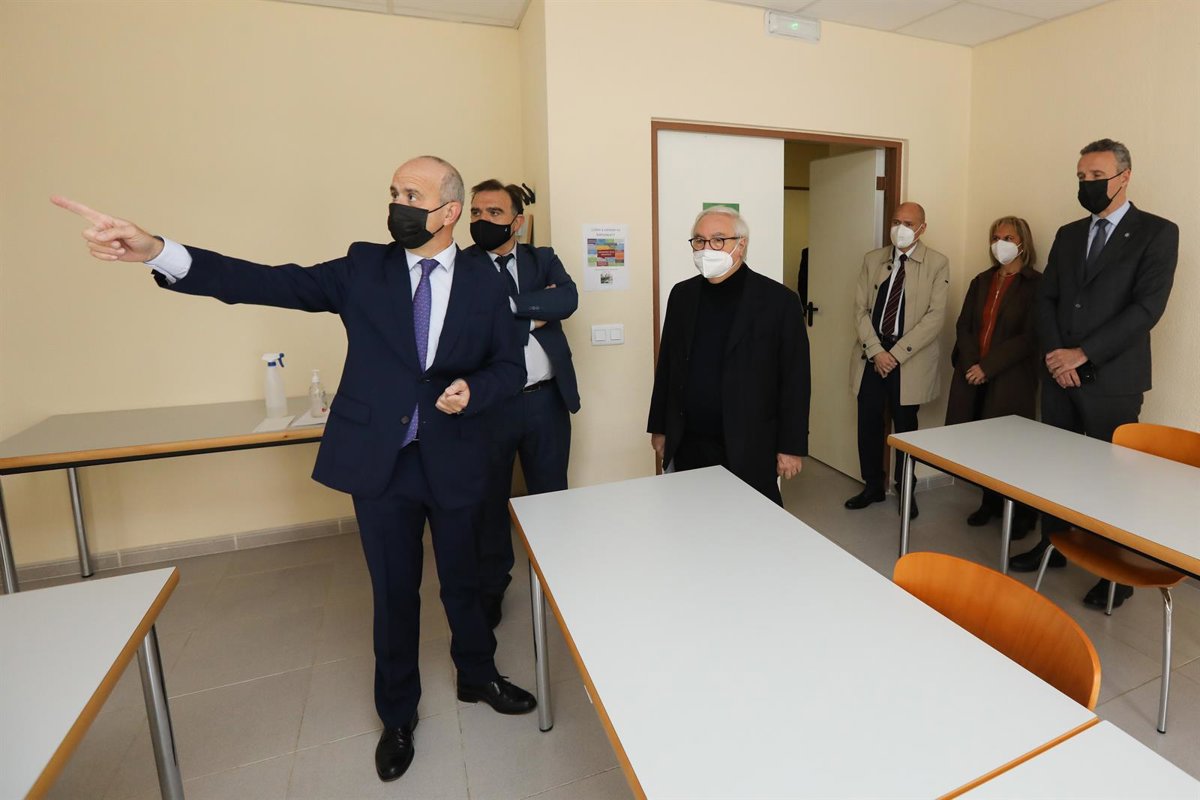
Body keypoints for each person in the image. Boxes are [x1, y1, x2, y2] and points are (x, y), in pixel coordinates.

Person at [51, 155, 538, 784]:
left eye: (411, 195)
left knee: (465, 581)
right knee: (393, 592)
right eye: (393, 192)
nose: (397, 204)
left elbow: (510, 366)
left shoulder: (485, 281)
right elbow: (263, 281)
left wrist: (475, 389)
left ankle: (478, 675)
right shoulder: (363, 267)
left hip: (458, 455)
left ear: (449, 211)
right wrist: (158, 251)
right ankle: (398, 715)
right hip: (381, 462)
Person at [1008, 139, 1178, 612]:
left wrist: (1082, 355)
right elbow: (1047, 299)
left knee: (1111, 479)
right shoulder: (1068, 234)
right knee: (1056, 468)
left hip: (1113, 379)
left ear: (1124, 177)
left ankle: (1114, 572)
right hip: (1058, 374)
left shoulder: (1157, 233)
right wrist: (1057, 357)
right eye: (1082, 177)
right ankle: (1053, 544)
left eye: (1097, 176)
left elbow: (1146, 308)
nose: (1087, 184)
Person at [464, 179, 579, 629]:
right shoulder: (461, 266)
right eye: (476, 212)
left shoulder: (542, 258)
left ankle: (555, 578)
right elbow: (467, 325)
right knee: (489, 503)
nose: (482, 220)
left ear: (517, 221)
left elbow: (566, 298)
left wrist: (506, 307)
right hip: (488, 408)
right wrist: (534, 312)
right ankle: (493, 587)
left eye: (494, 213)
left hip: (545, 402)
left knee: (551, 498)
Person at [647, 206, 809, 505]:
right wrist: (660, 428)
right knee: (690, 516)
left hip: (750, 441)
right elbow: (668, 365)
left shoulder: (779, 301)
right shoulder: (682, 295)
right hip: (689, 439)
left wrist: (791, 446)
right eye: (699, 240)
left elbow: (795, 380)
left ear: (741, 244)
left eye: (718, 240)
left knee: (752, 521)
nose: (707, 248)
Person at [844, 202, 950, 518]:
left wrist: (896, 354)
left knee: (905, 427)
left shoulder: (937, 263)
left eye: (908, 223)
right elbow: (860, 309)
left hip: (908, 358)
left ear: (922, 228)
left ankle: (906, 489)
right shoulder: (872, 259)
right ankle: (873, 486)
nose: (900, 228)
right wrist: (877, 351)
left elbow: (935, 317)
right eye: (896, 221)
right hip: (873, 354)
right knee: (868, 422)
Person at [944, 216, 1042, 534]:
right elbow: (964, 325)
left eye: (1008, 238)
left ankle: (1022, 514)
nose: (1001, 244)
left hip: (1011, 378)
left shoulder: (1035, 284)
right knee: (981, 444)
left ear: (1023, 243)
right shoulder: (982, 280)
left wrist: (988, 367)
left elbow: (1029, 336)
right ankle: (989, 502)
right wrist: (973, 364)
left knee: (1011, 448)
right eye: (996, 237)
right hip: (973, 374)